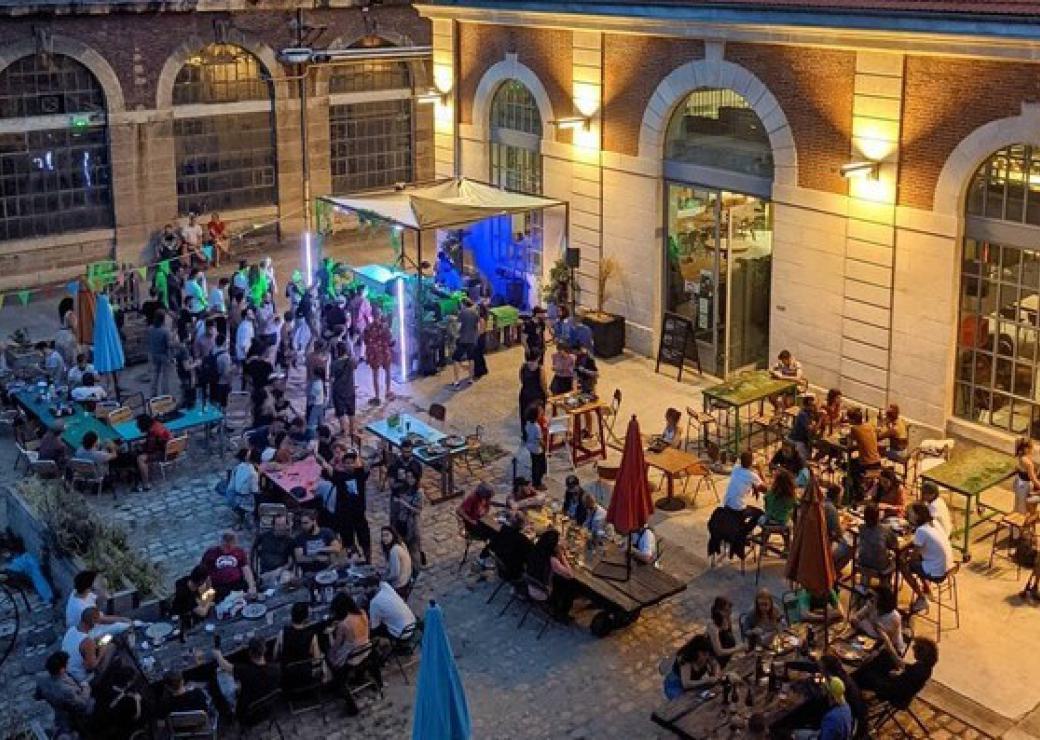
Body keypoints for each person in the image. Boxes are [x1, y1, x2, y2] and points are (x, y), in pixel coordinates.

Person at [319, 447, 372, 562]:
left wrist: (358, 456)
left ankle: (368, 560)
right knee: (348, 543)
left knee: (365, 540)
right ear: (343, 464)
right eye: (346, 463)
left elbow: (368, 465)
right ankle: (353, 560)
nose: (349, 465)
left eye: (351, 462)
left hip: (359, 514)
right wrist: (332, 458)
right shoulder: (339, 476)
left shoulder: (360, 473)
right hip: (345, 516)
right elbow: (326, 467)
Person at [326, 592, 375, 715]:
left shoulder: (344, 625)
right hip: (365, 648)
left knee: (330, 660)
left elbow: (336, 646)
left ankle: (344, 695)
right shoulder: (363, 613)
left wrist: (329, 634)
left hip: (353, 655)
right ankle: (360, 677)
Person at [901, 502, 954, 614]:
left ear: (917, 516)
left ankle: (921, 598)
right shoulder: (934, 523)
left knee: (903, 565)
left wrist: (905, 554)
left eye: (910, 514)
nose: (908, 516)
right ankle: (927, 589)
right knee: (919, 561)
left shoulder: (921, 531)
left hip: (937, 571)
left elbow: (914, 557)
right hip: (949, 567)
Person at [213, 636, 280, 718]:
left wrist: (217, 653)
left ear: (250, 653)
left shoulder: (245, 671)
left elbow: (224, 665)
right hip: (268, 708)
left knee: (220, 674)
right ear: (264, 650)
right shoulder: (275, 669)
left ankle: (228, 714)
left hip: (247, 714)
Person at [853, 585, 906, 684]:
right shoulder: (871, 605)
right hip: (869, 639)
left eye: (874, 599)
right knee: (854, 648)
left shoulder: (894, 617)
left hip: (889, 650)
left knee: (863, 672)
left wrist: (869, 622)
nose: (871, 600)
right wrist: (858, 618)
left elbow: (884, 640)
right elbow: (856, 618)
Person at [869, 637, 939, 707]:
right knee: (888, 660)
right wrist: (899, 673)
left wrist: (895, 675)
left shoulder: (918, 670)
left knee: (872, 670)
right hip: (903, 693)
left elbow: (899, 684)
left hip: (895, 696)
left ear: (920, 653)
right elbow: (905, 669)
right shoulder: (925, 668)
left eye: (915, 649)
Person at [37, 651, 94, 736]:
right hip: (76, 712)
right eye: (66, 663)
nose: (68, 664)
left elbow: (38, 695)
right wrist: (86, 687)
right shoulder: (66, 690)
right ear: (61, 669)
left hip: (59, 709)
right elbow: (83, 703)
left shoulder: (41, 679)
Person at [526, 529, 577, 622]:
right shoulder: (552, 560)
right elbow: (571, 575)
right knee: (571, 585)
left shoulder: (536, 549)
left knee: (559, 579)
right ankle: (562, 613)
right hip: (542, 592)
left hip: (530, 584)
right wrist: (562, 556)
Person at [65, 570, 130, 632]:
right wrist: (123, 619)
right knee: (120, 626)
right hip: (81, 633)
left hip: (82, 623)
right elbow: (104, 620)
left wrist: (102, 593)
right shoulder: (85, 609)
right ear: (88, 588)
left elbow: (96, 604)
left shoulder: (77, 591)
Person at [62, 607, 113, 684]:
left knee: (105, 639)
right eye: (98, 621)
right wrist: (102, 652)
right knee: (111, 647)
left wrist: (97, 645)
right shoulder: (88, 642)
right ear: (93, 621)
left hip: (68, 670)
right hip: (83, 679)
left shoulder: (71, 630)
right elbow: (91, 667)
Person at [200, 531, 257, 599]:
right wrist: (206, 589)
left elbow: (246, 569)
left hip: (236, 583)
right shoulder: (210, 553)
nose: (227, 549)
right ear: (221, 543)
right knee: (206, 599)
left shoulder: (239, 552)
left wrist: (251, 586)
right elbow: (203, 573)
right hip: (219, 586)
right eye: (225, 546)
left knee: (254, 586)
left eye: (230, 547)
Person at [662, 634, 719, 699]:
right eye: (704, 654)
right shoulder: (686, 658)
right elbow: (686, 684)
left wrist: (715, 674)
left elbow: (715, 664)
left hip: (693, 683)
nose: (706, 657)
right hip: (675, 684)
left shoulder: (707, 654)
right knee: (684, 703)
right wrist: (706, 680)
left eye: (707, 654)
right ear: (695, 652)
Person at [5, 536, 56, 604]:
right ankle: (49, 597)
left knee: (33, 570)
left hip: (17, 570)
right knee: (35, 573)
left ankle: (41, 559)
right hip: (18, 571)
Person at [457, 482, 497, 568]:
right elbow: (459, 510)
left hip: (483, 521)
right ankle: (482, 557)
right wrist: (471, 520)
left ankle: (495, 552)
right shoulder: (473, 498)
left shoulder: (486, 499)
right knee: (495, 536)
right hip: (474, 527)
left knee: (501, 529)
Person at [274, 602, 322, 669]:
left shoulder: (282, 633)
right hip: (304, 672)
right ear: (306, 619)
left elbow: (275, 655)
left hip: (287, 671)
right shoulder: (312, 637)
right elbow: (317, 660)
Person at [293, 509, 343, 574]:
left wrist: (320, 549)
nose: (303, 526)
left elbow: (337, 548)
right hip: (309, 571)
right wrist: (316, 558)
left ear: (314, 521)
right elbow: (299, 558)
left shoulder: (326, 532)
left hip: (327, 568)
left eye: (306, 523)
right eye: (302, 523)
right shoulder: (300, 537)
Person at [252, 514, 295, 584]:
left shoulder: (290, 541)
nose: (281, 528)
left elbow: (291, 561)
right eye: (278, 525)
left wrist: (280, 570)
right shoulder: (263, 537)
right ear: (273, 526)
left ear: (287, 526)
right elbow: (252, 553)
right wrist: (253, 572)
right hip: (266, 573)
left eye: (283, 525)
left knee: (285, 578)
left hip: (281, 572)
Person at [848, 408, 882, 496]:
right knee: (854, 462)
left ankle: (857, 492)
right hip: (877, 460)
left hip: (866, 463)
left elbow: (849, 444)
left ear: (852, 420)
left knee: (849, 466)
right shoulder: (869, 425)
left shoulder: (854, 429)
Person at [724, 451, 767, 519]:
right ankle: (746, 528)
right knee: (760, 513)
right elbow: (765, 488)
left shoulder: (736, 468)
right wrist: (760, 470)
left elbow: (745, 476)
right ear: (751, 462)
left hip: (727, 504)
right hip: (738, 508)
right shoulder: (752, 475)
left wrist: (754, 486)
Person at [761, 468, 798, 547]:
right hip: (782, 522)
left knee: (767, 519)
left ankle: (764, 544)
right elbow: (796, 505)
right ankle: (787, 547)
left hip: (768, 521)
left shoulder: (770, 493)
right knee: (788, 524)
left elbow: (765, 501)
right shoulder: (790, 497)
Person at [133, 413, 171, 492]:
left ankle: (145, 484)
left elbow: (150, 449)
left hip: (165, 452)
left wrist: (140, 446)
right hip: (170, 447)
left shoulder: (153, 432)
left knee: (141, 459)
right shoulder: (157, 424)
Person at [856, 503, 897, 574]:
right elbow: (895, 545)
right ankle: (885, 582)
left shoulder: (861, 528)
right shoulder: (885, 529)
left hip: (862, 561)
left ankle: (865, 580)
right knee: (895, 559)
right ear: (878, 516)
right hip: (880, 565)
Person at [363, 310, 394, 405]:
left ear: (372, 315)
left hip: (374, 353)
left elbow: (365, 341)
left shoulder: (368, 327)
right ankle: (388, 392)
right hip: (385, 351)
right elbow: (390, 338)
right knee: (388, 371)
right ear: (380, 315)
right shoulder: (385, 326)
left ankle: (377, 397)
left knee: (375, 374)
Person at [823, 483, 854, 572]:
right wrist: (846, 523)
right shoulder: (831, 509)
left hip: (819, 541)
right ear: (837, 496)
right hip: (826, 544)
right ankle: (833, 572)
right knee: (851, 546)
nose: (841, 498)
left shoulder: (823, 503)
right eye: (841, 495)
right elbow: (838, 533)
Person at [330, 341, 356, 440]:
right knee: (351, 411)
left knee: (340, 412)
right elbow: (355, 367)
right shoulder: (352, 360)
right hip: (350, 389)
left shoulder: (334, 364)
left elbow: (332, 379)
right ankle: (352, 430)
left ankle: (343, 431)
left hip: (339, 390)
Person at [517, 349, 547, 436]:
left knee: (524, 415)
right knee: (538, 416)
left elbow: (521, 379)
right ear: (538, 357)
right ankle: (538, 436)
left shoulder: (523, 367)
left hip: (525, 393)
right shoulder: (540, 369)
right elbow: (543, 384)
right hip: (537, 396)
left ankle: (525, 434)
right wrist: (546, 394)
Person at [452, 298, 480, 388]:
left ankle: (456, 380)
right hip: (472, 340)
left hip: (462, 340)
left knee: (456, 359)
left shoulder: (462, 313)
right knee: (471, 359)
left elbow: (458, 326)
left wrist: (456, 334)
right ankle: (470, 379)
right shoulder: (475, 314)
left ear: (463, 304)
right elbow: (478, 328)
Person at [706, 596, 740, 669]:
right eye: (726, 611)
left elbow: (730, 636)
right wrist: (738, 649)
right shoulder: (712, 626)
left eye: (730, 609)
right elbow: (718, 651)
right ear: (719, 611)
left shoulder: (727, 619)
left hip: (726, 657)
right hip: (714, 660)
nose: (730, 612)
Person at [381, 526, 413, 596]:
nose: (384, 538)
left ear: (393, 535)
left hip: (400, 586)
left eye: (387, 535)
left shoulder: (394, 551)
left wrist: (383, 579)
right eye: (383, 536)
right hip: (407, 580)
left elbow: (395, 574)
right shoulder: (401, 544)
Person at [1013, 437, 1040, 515]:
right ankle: (1022, 525)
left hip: (1018, 482)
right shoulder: (1029, 463)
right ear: (1027, 448)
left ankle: (1013, 526)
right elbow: (1033, 480)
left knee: (1017, 506)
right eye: (1032, 447)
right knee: (1023, 509)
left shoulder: (1021, 457)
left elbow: (1018, 468)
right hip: (1024, 485)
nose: (1033, 449)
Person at [523, 404, 548, 490]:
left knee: (534, 464)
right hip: (537, 449)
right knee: (539, 466)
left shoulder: (528, 423)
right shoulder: (537, 427)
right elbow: (540, 440)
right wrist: (545, 447)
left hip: (530, 447)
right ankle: (537, 483)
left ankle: (535, 479)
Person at [787, 394, 817, 460]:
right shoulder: (803, 414)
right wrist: (818, 422)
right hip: (797, 440)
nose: (814, 407)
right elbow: (810, 429)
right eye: (812, 405)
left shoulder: (810, 413)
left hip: (804, 439)